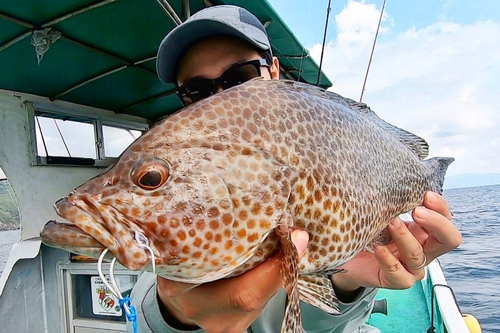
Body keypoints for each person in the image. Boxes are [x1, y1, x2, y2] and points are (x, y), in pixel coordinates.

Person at [128, 5, 462, 333]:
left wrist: (345, 281)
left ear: (273, 70)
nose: (221, 97)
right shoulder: (190, 173)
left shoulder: (320, 132)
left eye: (240, 77)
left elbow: (318, 308)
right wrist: (173, 314)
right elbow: (149, 296)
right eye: (197, 91)